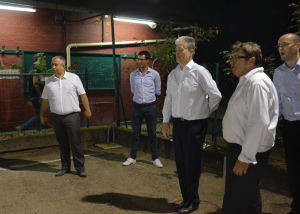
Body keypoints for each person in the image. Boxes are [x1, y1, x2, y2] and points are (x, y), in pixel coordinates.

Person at [162, 36, 222, 213]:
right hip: (178, 126)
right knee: (181, 164)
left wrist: (203, 112)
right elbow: (169, 99)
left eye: (181, 50)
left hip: (195, 126)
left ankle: (193, 201)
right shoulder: (173, 74)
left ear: (191, 51)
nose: (177, 53)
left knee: (192, 165)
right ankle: (186, 199)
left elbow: (215, 95)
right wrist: (166, 121)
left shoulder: (199, 72)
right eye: (176, 50)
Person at [222, 42, 278, 214]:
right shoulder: (247, 81)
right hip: (243, 151)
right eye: (231, 57)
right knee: (249, 200)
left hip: (247, 154)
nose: (231, 61)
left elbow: (258, 122)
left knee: (234, 204)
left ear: (252, 60)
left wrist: (245, 157)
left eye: (236, 58)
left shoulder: (256, 83)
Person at [40, 56, 92, 177]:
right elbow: (45, 101)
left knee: (75, 143)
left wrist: (87, 110)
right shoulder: (49, 82)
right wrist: (42, 115)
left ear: (63, 66)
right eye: (52, 65)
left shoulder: (74, 78)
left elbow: (83, 95)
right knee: (62, 143)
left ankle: (80, 168)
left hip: (72, 116)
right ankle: (65, 167)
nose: (53, 67)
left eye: (56, 65)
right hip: (56, 117)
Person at [273, 33, 300, 214]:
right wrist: (274, 125)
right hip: (289, 127)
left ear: (297, 45)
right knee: (293, 169)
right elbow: (278, 103)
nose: (281, 48)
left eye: (285, 44)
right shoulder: (278, 72)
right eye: (279, 45)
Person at [122, 51, 163, 168]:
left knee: (152, 133)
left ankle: (155, 158)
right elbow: (133, 90)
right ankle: (132, 157)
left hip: (151, 107)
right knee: (135, 133)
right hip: (137, 107)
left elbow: (157, 90)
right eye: (138, 59)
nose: (139, 61)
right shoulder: (133, 75)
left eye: (142, 59)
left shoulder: (155, 74)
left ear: (148, 60)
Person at [16, 54, 43, 132]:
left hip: (31, 94)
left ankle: (39, 131)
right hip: (36, 95)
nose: (43, 62)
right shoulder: (36, 69)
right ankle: (23, 127)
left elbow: (29, 83)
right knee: (40, 115)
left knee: (38, 114)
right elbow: (35, 83)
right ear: (39, 60)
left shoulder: (31, 69)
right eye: (42, 60)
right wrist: (40, 95)